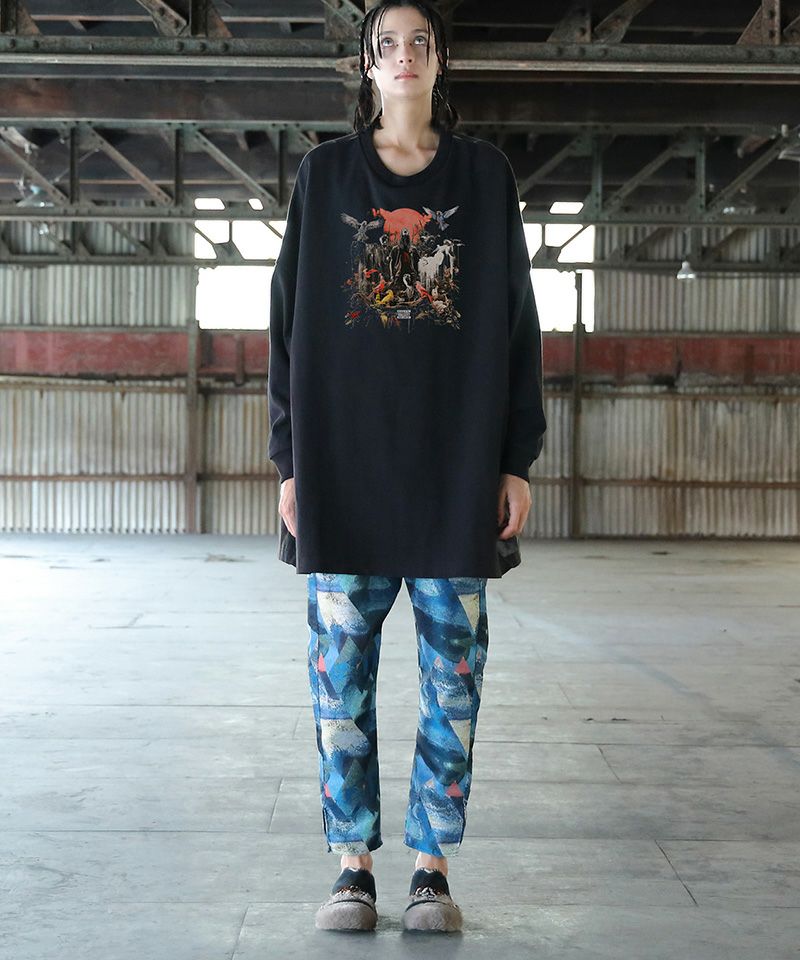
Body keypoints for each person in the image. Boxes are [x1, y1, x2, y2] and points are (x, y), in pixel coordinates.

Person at [267, 0, 547, 934]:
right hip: (342, 471)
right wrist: (290, 462)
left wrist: (515, 458)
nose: (404, 56)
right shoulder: (323, 177)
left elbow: (518, 324)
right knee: (338, 679)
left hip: (454, 470)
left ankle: (431, 869)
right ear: (367, 64)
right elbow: (286, 328)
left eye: (419, 42)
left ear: (440, 60)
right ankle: (352, 869)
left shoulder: (485, 177)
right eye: (387, 43)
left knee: (451, 680)